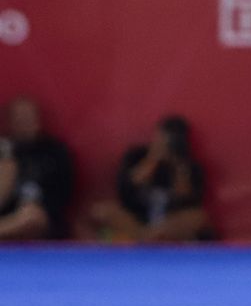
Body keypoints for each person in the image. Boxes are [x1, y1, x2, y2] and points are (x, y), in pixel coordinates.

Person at [87, 116, 211, 242]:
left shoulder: (188, 165)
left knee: (198, 218)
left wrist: (179, 167)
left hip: (168, 225)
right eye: (163, 138)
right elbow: (128, 185)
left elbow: (187, 198)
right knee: (102, 211)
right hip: (135, 222)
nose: (166, 144)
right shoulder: (137, 156)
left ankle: (146, 239)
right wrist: (154, 158)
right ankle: (145, 239)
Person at [0, 97, 73, 241]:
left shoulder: (54, 152)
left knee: (32, 216)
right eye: (18, 119)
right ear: (10, 122)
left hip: (39, 217)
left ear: (37, 120)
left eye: (27, 118)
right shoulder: (5, 150)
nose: (23, 123)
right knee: (8, 166)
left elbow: (63, 192)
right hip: (6, 215)